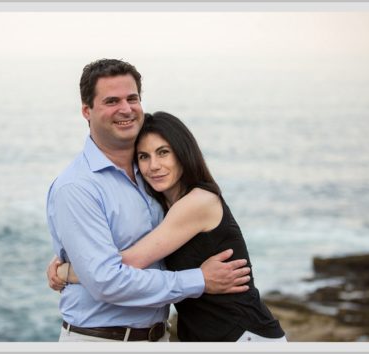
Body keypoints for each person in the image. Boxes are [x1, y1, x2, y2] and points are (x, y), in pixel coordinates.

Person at [45, 59, 251, 342]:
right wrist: (199, 280)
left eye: (132, 98)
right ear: (86, 111)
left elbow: (144, 254)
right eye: (111, 101)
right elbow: (106, 280)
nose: (126, 109)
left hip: (161, 337)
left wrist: (72, 270)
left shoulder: (154, 177)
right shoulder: (77, 187)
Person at [54, 112, 286, 342]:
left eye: (163, 152)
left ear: (183, 153)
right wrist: (79, 254)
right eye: (144, 157)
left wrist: (68, 272)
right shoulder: (162, 208)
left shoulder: (198, 202)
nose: (153, 166)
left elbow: (129, 262)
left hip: (244, 335)